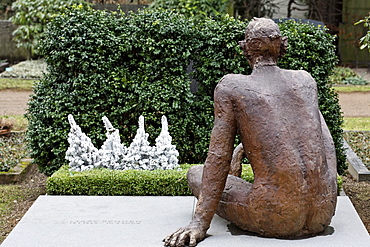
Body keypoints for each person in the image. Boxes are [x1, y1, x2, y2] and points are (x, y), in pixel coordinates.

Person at [163, 18, 337, 247]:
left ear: (245, 47)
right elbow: (327, 146)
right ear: (282, 44)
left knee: (196, 173)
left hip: (277, 215)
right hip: (323, 212)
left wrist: (199, 223)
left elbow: (218, 158)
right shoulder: (304, 81)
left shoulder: (232, 87)